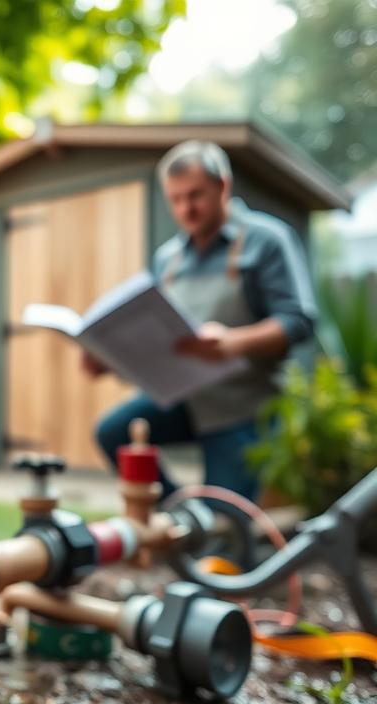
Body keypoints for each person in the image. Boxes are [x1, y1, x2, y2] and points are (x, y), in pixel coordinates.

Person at [88, 140, 317, 502]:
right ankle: (177, 515)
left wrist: (232, 343)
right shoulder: (169, 258)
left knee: (224, 526)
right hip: (183, 397)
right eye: (175, 199)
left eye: (196, 196)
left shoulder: (266, 240)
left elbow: (298, 322)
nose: (185, 209)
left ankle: (202, 524)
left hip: (243, 405)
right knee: (114, 433)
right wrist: (109, 358)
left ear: (223, 186)